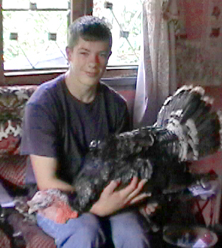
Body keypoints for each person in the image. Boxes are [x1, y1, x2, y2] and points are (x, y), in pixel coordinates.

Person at [21, 15, 156, 248]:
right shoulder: (42, 105)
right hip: (55, 196)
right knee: (85, 232)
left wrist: (135, 197)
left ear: (108, 57)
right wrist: (96, 207)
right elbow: (47, 181)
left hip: (104, 193)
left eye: (101, 54)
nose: (93, 62)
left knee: (133, 234)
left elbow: (122, 167)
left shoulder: (116, 106)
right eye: (84, 52)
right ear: (69, 54)